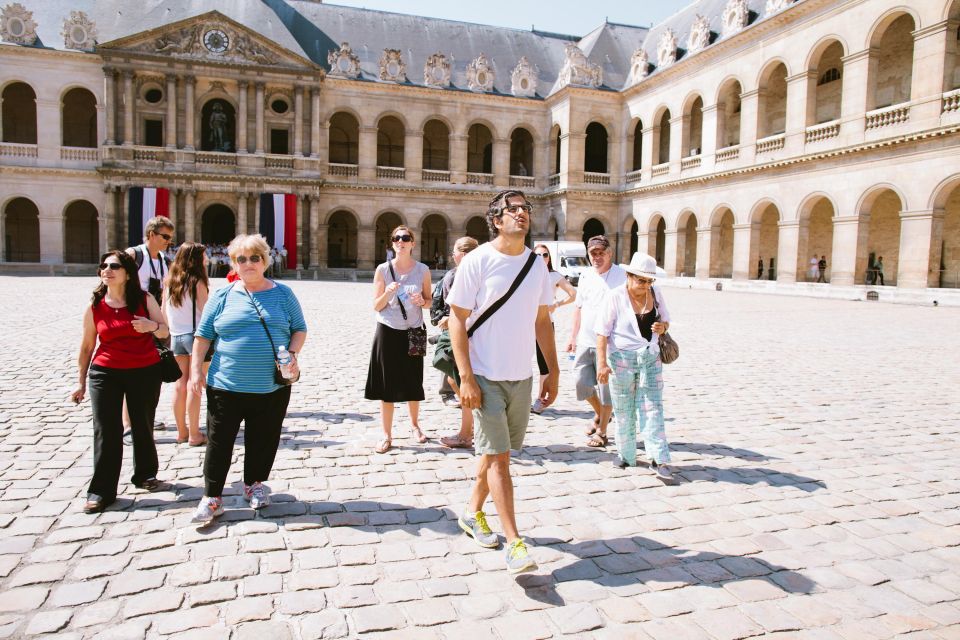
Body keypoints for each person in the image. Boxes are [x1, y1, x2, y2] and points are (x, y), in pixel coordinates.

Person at [447, 189, 558, 573]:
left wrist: (552, 370)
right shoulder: (477, 261)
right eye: (512, 210)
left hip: (520, 376)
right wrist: (465, 378)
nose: (521, 214)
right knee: (500, 460)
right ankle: (515, 542)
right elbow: (457, 319)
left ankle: (470, 513)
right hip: (484, 374)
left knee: (496, 453)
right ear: (496, 220)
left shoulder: (536, 264)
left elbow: (542, 320)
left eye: (525, 208)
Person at [189, 234, 308, 524]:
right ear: (234, 263)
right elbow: (203, 336)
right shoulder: (222, 295)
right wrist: (194, 371)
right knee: (219, 442)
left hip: (270, 386)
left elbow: (299, 329)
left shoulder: (283, 294)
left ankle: (254, 485)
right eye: (241, 258)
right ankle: (212, 496)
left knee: (263, 439)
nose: (249, 263)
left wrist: (292, 353)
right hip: (225, 385)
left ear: (265, 261)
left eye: (255, 257)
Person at [70, 251, 170, 513]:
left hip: (144, 370)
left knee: (142, 423)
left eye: (113, 266)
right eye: (103, 266)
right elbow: (87, 345)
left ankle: (145, 474)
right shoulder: (95, 305)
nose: (107, 270)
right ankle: (101, 491)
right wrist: (80, 382)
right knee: (106, 430)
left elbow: (165, 330)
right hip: (105, 372)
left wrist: (150, 326)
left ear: (127, 272)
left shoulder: (144, 299)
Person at [596, 253, 675, 484]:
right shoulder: (615, 297)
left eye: (649, 281)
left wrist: (662, 327)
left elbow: (667, 320)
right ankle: (626, 454)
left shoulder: (656, 294)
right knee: (623, 408)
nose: (645, 285)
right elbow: (602, 332)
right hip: (621, 359)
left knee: (653, 408)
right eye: (641, 280)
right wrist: (601, 363)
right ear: (629, 276)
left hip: (650, 357)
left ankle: (659, 458)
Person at [365, 225, 432, 454]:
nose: (400, 241)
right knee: (387, 384)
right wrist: (388, 292)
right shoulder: (383, 270)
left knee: (414, 380)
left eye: (405, 238)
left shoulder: (423, 270)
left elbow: (430, 301)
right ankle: (386, 434)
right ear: (392, 243)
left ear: (413, 243)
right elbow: (376, 305)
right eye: (396, 238)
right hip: (388, 329)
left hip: (414, 330)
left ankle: (415, 425)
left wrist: (422, 302)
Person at [566, 236, 626, 448]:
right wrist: (573, 336)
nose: (598, 257)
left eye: (602, 252)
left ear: (610, 253)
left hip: (611, 343)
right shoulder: (586, 275)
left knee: (606, 388)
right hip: (586, 339)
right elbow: (579, 307)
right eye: (594, 253)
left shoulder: (622, 275)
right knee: (581, 383)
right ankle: (601, 413)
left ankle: (602, 432)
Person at [125, 215, 175, 435]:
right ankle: (128, 425)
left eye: (170, 238)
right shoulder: (133, 255)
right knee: (131, 374)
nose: (168, 241)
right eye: (165, 236)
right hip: (135, 320)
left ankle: (145, 417)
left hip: (156, 321)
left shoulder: (164, 260)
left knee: (152, 373)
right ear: (151, 235)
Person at [433, 236, 480, 449]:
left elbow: (472, 308)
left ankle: (466, 433)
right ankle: (471, 429)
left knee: (464, 381)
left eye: (455, 252)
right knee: (456, 380)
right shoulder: (459, 274)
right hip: (462, 331)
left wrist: (452, 319)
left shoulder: (471, 275)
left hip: (469, 334)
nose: (452, 255)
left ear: (465, 254)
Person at [163, 242, 211, 447]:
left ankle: (181, 431)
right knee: (195, 384)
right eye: (204, 256)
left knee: (180, 384)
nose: (207, 259)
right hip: (196, 336)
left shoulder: (170, 281)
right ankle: (194, 433)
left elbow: (164, 311)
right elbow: (206, 313)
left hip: (176, 336)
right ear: (196, 259)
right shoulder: (197, 282)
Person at [531, 243, 577, 414]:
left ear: (549, 258)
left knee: (544, 364)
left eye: (545, 255)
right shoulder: (527, 274)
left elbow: (574, 294)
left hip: (544, 323)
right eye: (538, 255)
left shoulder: (554, 276)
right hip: (524, 324)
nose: (542, 258)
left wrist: (557, 304)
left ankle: (540, 400)